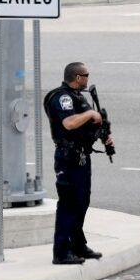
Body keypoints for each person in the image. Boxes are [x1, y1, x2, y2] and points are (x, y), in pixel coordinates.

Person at [43, 61, 115, 265]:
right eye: (86, 75)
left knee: (82, 201)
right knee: (68, 204)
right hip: (68, 158)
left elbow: (87, 127)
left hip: (82, 157)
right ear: (77, 77)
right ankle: (61, 251)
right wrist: (92, 114)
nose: (87, 79)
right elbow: (69, 123)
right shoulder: (62, 97)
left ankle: (77, 244)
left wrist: (104, 135)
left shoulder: (78, 98)